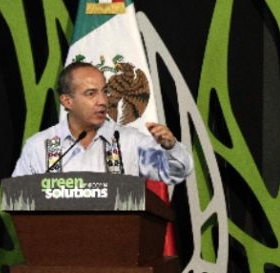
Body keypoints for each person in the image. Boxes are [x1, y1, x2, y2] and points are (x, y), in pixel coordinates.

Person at [11, 61, 193, 184]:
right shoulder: (39, 147)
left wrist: (170, 147)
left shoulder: (129, 142)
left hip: (118, 238)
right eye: (91, 94)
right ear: (67, 101)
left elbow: (177, 172)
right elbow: (19, 199)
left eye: (104, 91)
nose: (103, 101)